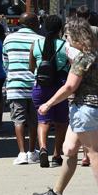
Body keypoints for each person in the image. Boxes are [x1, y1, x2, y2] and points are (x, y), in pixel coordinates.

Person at [32, 19, 98, 195]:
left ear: (77, 37)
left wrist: (48, 103)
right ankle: (56, 194)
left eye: (68, 37)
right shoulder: (95, 55)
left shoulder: (83, 58)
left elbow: (70, 86)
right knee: (69, 150)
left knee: (93, 152)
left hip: (85, 108)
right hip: (92, 106)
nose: (66, 40)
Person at [3, 12, 43, 165]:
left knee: (18, 120)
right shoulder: (40, 39)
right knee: (34, 121)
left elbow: (5, 63)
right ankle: (32, 152)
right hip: (35, 85)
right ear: (35, 24)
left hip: (15, 86)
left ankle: (21, 153)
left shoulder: (9, 39)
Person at [29, 15, 69, 168]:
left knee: (43, 120)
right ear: (61, 29)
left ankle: (43, 148)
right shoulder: (65, 46)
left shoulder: (36, 44)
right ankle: (57, 154)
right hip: (60, 87)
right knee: (61, 122)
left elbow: (31, 68)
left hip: (40, 86)